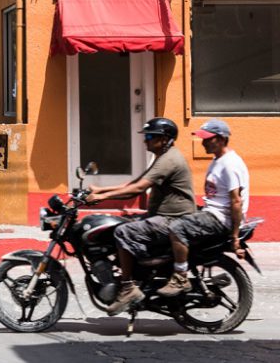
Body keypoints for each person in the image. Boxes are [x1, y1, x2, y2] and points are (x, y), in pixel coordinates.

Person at [86, 117, 196, 315]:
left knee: (123, 232)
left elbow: (137, 189)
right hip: (163, 216)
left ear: (165, 139)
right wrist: (100, 190)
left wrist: (101, 198)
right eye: (146, 136)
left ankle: (128, 287)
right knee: (123, 225)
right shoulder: (163, 157)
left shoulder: (169, 160)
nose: (146, 140)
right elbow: (135, 183)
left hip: (173, 219)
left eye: (150, 136)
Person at [157, 119, 250, 297]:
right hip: (212, 212)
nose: (204, 143)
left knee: (176, 228)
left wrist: (235, 236)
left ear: (222, 139)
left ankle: (181, 277)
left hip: (220, 219)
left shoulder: (229, 164)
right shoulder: (219, 160)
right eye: (203, 139)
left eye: (208, 139)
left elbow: (236, 202)